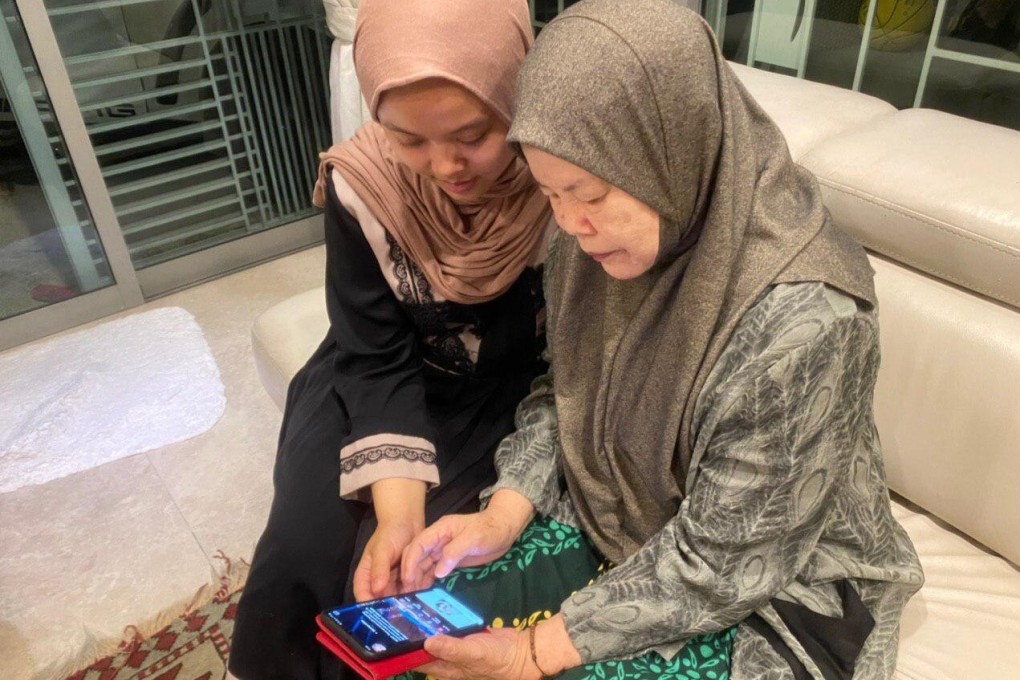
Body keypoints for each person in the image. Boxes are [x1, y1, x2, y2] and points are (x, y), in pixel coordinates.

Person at [399, 2, 924, 679]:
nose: (570, 223)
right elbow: (565, 392)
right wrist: (501, 516)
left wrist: (536, 652)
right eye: (551, 193)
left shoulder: (807, 319)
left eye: (586, 192)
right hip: (621, 514)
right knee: (425, 643)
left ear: (670, 149)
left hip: (774, 585)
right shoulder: (593, 247)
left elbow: (727, 562)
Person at [227, 1, 553, 678]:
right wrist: (395, 508)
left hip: (503, 391)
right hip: (372, 376)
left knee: (394, 591)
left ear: (518, 96)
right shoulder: (361, 185)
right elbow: (373, 355)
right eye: (408, 138)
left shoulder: (562, 181)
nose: (444, 167)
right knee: (297, 553)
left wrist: (401, 528)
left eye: (473, 133)